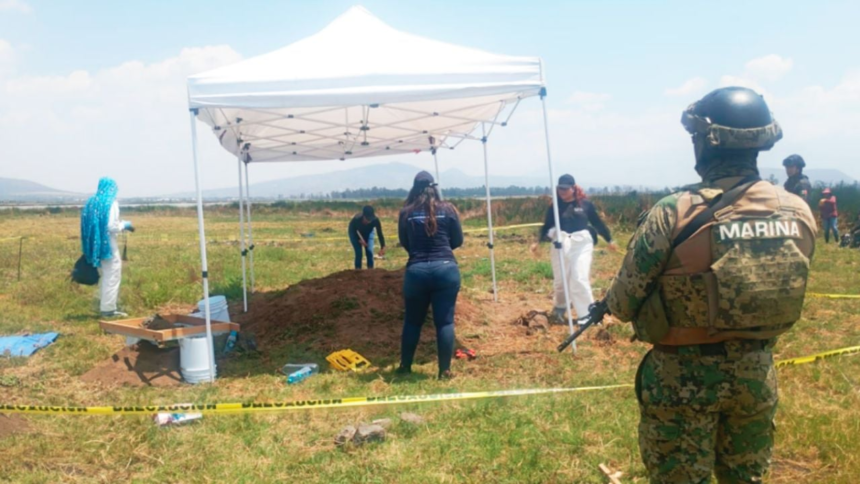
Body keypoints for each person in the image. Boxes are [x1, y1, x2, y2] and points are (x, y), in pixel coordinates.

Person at [603, 87, 816, 483]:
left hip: (681, 378)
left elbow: (622, 303)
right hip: (756, 373)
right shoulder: (797, 210)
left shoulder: (677, 211)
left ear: (703, 142)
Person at [397, 171, 463, 379]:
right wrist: (442, 250)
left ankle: (405, 367)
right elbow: (457, 240)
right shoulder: (449, 209)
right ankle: (444, 371)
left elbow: (405, 242)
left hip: (416, 271)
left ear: (413, 188)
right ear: (435, 187)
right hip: (446, 269)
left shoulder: (406, 212)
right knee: (444, 323)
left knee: (412, 322)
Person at [530, 174, 616, 324]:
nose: (562, 192)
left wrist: (609, 240)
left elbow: (597, 223)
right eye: (559, 189)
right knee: (560, 281)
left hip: (581, 245)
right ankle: (560, 307)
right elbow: (547, 225)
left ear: (573, 188)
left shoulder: (585, 205)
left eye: (565, 189)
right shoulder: (555, 206)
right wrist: (538, 242)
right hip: (560, 244)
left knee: (579, 278)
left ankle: (588, 315)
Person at [81, 177, 135, 317]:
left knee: (104, 274)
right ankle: (108, 310)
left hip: (94, 243)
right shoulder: (110, 202)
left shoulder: (91, 202)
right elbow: (111, 226)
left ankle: (103, 304)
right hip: (107, 243)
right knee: (112, 275)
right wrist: (124, 225)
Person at [347, 205, 386, 269]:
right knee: (359, 253)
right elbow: (353, 231)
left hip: (369, 233)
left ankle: (370, 271)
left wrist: (382, 246)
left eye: (370, 219)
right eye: (367, 219)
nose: (369, 221)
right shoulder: (357, 219)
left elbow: (380, 233)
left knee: (369, 251)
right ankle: (358, 271)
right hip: (355, 233)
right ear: (363, 216)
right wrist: (359, 240)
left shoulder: (375, 220)